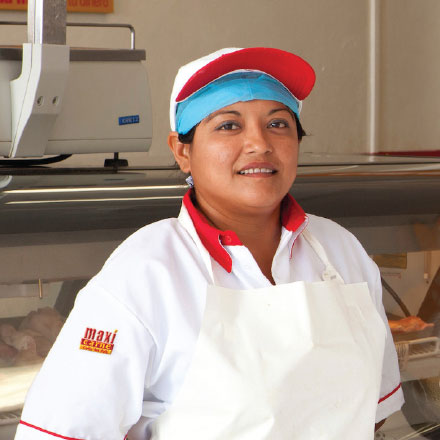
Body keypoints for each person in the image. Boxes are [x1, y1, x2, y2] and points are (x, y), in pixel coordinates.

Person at [15, 47, 404, 440]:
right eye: (229, 125)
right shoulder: (144, 272)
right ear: (182, 151)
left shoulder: (340, 249)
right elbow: (62, 431)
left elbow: (372, 410)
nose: (259, 143)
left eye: (278, 123)